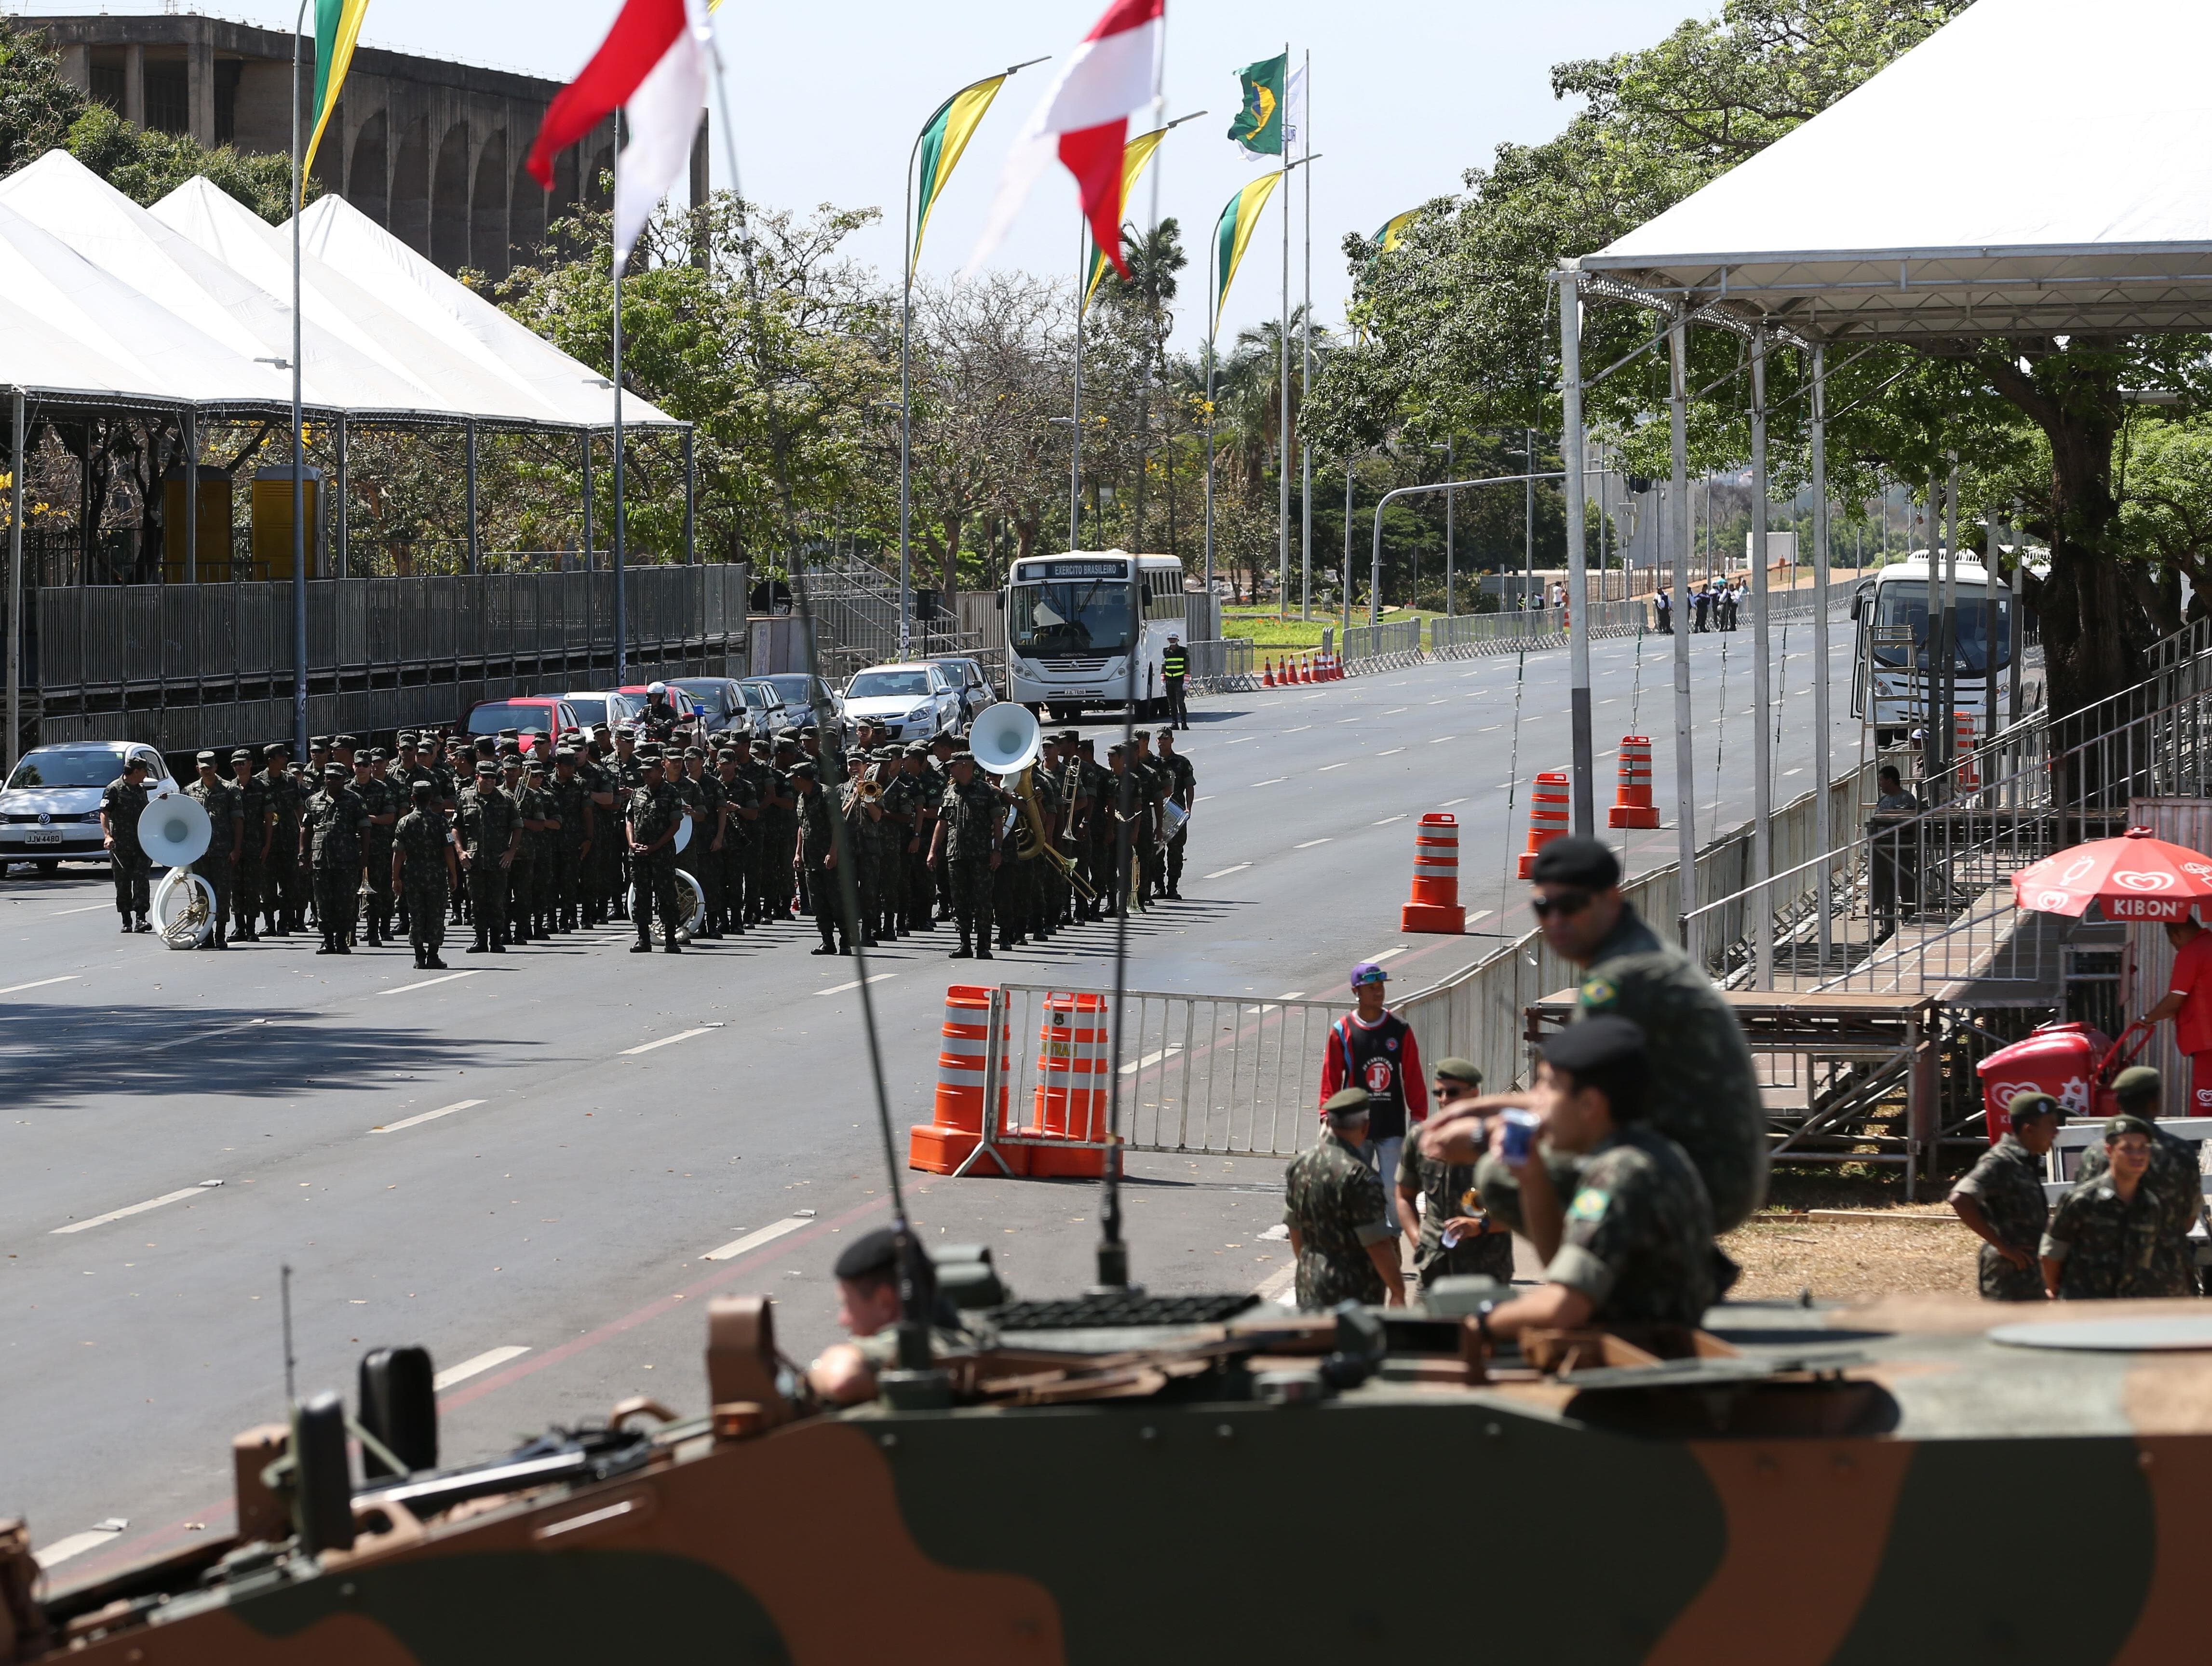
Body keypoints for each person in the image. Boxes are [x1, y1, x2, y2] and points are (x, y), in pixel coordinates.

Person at [1473, 836, 1766, 1236]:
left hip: (1702, 1179)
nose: (1556, 920)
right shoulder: (1633, 952)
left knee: (1501, 1172)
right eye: (1544, 907)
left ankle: (1585, 1291)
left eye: (1572, 905)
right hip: (1698, 1164)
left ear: (1610, 899)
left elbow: (1574, 1104)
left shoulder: (1621, 978)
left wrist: (1480, 1126)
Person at [1454, 1017, 1717, 1343]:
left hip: (1644, 1365)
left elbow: (1565, 1308)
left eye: (1549, 1087)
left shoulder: (1622, 1172)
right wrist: (1532, 1176)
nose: (1535, 1102)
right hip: (1643, 1346)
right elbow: (1562, 1272)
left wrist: (1478, 1324)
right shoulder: (1638, 1151)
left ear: (1590, 1104)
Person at [1317, 960, 1428, 1232]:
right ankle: (1362, 1240)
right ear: (1357, 991)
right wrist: (1326, 1115)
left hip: (1391, 1123)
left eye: (1380, 987)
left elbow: (1412, 1075)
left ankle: (1393, 1239)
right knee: (1356, 1185)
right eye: (1371, 988)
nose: (1378, 993)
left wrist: (1418, 1117)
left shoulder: (1399, 1029)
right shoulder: (1342, 1031)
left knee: (1393, 1185)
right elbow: (1331, 1076)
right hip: (1355, 1125)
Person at [2073, 1065, 2204, 1294]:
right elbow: (2190, 1220)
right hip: (2168, 1276)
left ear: (2119, 1104)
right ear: (2155, 1102)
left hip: (2109, 1276)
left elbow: (2080, 1214)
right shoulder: (2182, 1153)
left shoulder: (2096, 1154)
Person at [803, 1227, 971, 1406]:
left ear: (885, 1302)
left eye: (848, 1305)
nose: (843, 1320)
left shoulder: (912, 1347)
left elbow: (842, 1379)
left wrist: (811, 1374)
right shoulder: (966, 1331)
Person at [2042, 1114, 2198, 1299]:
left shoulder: (2149, 1205)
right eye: (2127, 1149)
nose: (2137, 1156)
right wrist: (2058, 1292)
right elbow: (2051, 1255)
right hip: (2087, 1308)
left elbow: (2142, 1266)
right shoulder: (2082, 1200)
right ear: (2109, 1151)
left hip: (2129, 1310)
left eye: (2143, 1148)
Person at [1397, 1058, 1513, 1289]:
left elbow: (1521, 1207)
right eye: (1438, 1094)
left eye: (1452, 1093)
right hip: (1434, 1271)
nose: (1444, 1100)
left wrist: (1480, 1226)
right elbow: (1403, 1196)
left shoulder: (1499, 1140)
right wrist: (1419, 1240)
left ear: (1475, 1093)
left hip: (1487, 1269)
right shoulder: (1422, 1137)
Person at [1283, 1087, 1405, 1309]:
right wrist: (1398, 1291)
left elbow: (1295, 1228)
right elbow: (1377, 1243)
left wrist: (1309, 1267)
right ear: (1366, 1127)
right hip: (1354, 1293)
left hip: (1309, 1283)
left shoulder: (1302, 1164)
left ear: (1328, 1124)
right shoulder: (1359, 1176)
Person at [1948, 1090, 2061, 1301]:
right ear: (2029, 1129)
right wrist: (2003, 1247)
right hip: (2007, 1274)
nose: (2056, 1132)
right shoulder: (2001, 1161)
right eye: (2051, 1125)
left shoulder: (2025, 1160)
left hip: (2028, 1271)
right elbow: (1960, 1198)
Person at [931, 750, 1006, 960]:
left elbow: (998, 823)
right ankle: (965, 944)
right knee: (959, 900)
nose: (950, 769)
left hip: (981, 855)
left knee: (982, 900)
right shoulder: (949, 792)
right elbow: (942, 823)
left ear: (965, 766)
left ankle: (983, 945)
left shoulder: (986, 791)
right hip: (956, 854)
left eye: (954, 765)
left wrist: (997, 850)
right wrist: (933, 851)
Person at [2141, 914, 2212, 1116]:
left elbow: (2174, 1001)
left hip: (2208, 1045)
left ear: (2176, 933)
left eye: (2172, 942)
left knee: (2205, 1111)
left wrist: (2147, 1018)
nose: (2175, 946)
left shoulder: (2192, 952)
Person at [300, 762, 368, 955]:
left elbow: (364, 829)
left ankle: (342, 940)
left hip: (347, 860)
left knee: (346, 901)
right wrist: (303, 855)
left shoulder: (355, 800)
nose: (332, 780)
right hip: (321, 859)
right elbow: (306, 828)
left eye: (336, 777)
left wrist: (364, 856)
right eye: (329, 777)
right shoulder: (314, 801)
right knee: (323, 901)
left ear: (344, 779)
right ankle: (327, 940)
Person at [456, 758, 522, 954]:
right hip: (474, 861)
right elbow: (456, 827)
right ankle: (480, 940)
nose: (490, 781)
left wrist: (511, 851)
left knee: (497, 902)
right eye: (485, 777)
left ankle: (496, 940)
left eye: (493, 777)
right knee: (477, 902)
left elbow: (517, 827)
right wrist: (460, 851)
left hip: (497, 861)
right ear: (477, 777)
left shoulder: (505, 799)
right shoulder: (465, 798)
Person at [391, 779, 457, 970]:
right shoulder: (441, 822)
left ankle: (419, 957)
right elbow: (448, 850)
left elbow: (398, 853)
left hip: (412, 875)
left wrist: (396, 877)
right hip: (436, 875)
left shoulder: (405, 822)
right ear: (430, 799)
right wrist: (453, 874)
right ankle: (433, 955)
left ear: (412, 798)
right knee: (436, 915)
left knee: (416, 915)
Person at [626, 747, 687, 954]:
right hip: (639, 854)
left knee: (666, 896)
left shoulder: (671, 793)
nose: (645, 775)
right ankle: (644, 939)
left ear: (660, 770)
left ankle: (671, 939)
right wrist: (632, 843)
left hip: (661, 853)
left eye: (649, 771)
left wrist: (655, 847)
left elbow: (675, 825)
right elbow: (630, 820)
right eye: (643, 771)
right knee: (641, 897)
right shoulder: (638, 792)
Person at [186, 750, 243, 950]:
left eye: (210, 768)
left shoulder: (229, 790)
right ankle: (206, 934)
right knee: (202, 894)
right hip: (200, 852)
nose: (207, 772)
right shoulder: (190, 791)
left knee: (222, 893)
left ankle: (220, 934)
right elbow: (181, 815)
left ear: (216, 767)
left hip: (222, 851)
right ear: (197, 769)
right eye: (203, 769)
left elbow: (238, 821)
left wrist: (236, 849)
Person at [792, 760, 846, 955]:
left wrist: (833, 852)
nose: (793, 782)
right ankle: (827, 941)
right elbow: (802, 826)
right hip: (811, 858)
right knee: (818, 902)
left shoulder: (826, 794)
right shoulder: (801, 797)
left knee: (837, 900)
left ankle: (846, 941)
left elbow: (838, 825)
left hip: (828, 856)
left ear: (801, 778)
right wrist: (798, 852)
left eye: (794, 779)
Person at [98, 755, 153, 933]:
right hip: (121, 845)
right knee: (123, 883)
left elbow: (148, 812)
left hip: (141, 844)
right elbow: (104, 813)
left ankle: (141, 919)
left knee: (142, 881)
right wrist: (107, 836)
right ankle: (126, 919)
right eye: (145, 771)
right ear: (136, 771)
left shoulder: (141, 790)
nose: (146, 776)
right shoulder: (113, 789)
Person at [228, 750, 273, 943]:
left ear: (250, 764)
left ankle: (252, 928)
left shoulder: (262, 787)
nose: (239, 767)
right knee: (236, 887)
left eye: (242, 763)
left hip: (255, 844)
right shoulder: (229, 788)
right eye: (235, 764)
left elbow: (269, 818)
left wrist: (268, 844)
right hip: (233, 845)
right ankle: (239, 926)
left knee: (253, 888)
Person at [1869, 764, 1922, 928]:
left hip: (1901, 851)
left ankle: (1910, 922)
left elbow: (1909, 825)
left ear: (1890, 780)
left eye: (1881, 780)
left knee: (1905, 887)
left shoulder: (1906, 799)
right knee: (1885, 892)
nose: (1880, 784)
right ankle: (1887, 928)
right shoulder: (1884, 800)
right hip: (1882, 851)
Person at [1155, 727, 1195, 900]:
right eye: (1159, 739)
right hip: (1157, 811)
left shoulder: (1182, 762)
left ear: (1172, 740)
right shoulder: (1153, 762)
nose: (1161, 742)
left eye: (1165, 739)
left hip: (1176, 811)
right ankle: (1159, 887)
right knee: (1156, 852)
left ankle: (1172, 887)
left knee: (1176, 851)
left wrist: (1189, 808)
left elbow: (1189, 787)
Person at [1161, 631, 1190, 730]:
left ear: (1177, 640)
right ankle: (1175, 723)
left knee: (1180, 703)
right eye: (1170, 639)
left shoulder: (1183, 651)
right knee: (1172, 704)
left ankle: (1184, 723)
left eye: (1174, 639)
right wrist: (1162, 681)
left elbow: (1187, 667)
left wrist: (1186, 682)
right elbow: (1163, 667)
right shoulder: (1165, 652)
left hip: (1180, 681)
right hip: (1169, 681)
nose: (1172, 641)